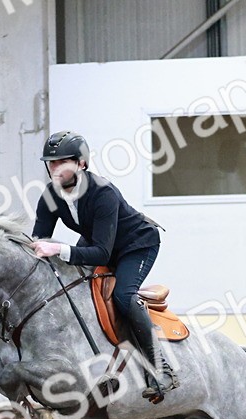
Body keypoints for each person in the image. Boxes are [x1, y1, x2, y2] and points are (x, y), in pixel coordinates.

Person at [30, 130, 178, 402]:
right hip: (99, 242)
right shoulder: (51, 195)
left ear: (81, 164)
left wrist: (58, 248)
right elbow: (38, 241)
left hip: (136, 244)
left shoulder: (102, 192)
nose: (54, 168)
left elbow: (100, 253)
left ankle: (160, 369)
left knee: (123, 296)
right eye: (50, 163)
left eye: (61, 162)